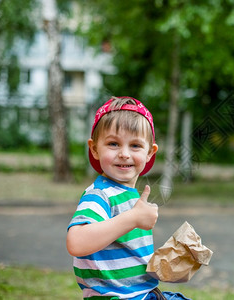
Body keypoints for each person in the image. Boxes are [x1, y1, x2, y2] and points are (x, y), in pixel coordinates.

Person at [67, 96, 189, 300]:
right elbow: (76, 243)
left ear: (150, 152)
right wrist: (133, 218)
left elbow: (127, 260)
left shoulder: (131, 197)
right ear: (95, 149)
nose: (124, 153)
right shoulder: (100, 195)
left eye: (135, 146)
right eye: (113, 144)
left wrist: (164, 267)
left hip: (142, 294)